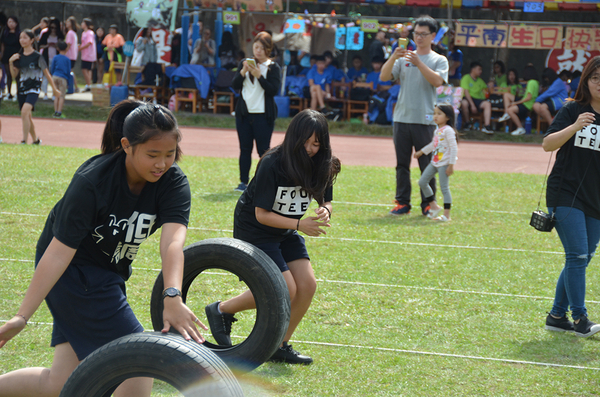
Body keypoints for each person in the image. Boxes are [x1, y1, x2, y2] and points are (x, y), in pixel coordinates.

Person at [0, 100, 207, 396]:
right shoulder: (92, 182)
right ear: (126, 145)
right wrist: (22, 316)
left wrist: (172, 294)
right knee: (138, 363)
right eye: (152, 155)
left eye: (169, 154)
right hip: (72, 272)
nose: (161, 163)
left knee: (62, 382)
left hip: (108, 272)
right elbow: (58, 252)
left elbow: (173, 242)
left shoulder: (173, 183)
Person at [205, 109, 340, 365]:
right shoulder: (273, 162)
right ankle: (221, 309)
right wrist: (300, 224)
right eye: (307, 142)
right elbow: (262, 214)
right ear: (294, 137)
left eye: (317, 143)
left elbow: (328, 199)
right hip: (256, 228)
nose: (311, 148)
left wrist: (326, 210)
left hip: (287, 229)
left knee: (307, 285)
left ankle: (280, 344)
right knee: (285, 288)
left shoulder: (322, 161)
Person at [542, 56, 600, 338]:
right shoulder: (572, 110)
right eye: (595, 78)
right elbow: (547, 144)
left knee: (583, 257)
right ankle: (580, 320)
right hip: (565, 193)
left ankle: (556, 316)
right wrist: (575, 125)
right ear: (586, 81)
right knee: (576, 255)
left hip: (596, 198)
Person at [380, 15, 448, 216]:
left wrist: (419, 63)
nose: (418, 38)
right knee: (401, 164)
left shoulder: (438, 59)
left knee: (427, 165)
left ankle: (428, 203)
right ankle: (402, 202)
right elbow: (384, 77)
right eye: (416, 34)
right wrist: (394, 56)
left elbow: (437, 82)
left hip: (425, 120)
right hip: (401, 118)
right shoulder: (404, 58)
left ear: (433, 36)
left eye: (423, 34)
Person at [231, 31, 281, 192]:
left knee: (264, 150)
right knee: (244, 149)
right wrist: (243, 72)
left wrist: (259, 76)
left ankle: (265, 181)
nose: (258, 51)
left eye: (262, 48)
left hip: (263, 116)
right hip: (244, 114)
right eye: (256, 47)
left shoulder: (273, 67)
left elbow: (273, 90)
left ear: (268, 49)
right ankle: (243, 182)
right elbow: (235, 85)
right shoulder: (244, 63)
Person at [9, 30, 62, 145]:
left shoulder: (38, 56)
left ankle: (24, 140)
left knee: (24, 112)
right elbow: (14, 76)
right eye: (20, 38)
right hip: (22, 89)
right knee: (27, 116)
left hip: (34, 89)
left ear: (32, 40)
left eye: (25, 38)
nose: (22, 40)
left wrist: (54, 89)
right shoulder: (18, 56)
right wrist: (10, 62)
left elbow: (47, 74)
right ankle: (35, 140)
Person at [414, 103, 458, 222]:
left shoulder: (448, 131)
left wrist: (451, 165)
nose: (435, 116)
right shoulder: (437, 130)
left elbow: (454, 148)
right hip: (435, 162)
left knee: (444, 188)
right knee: (422, 181)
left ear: (447, 117)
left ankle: (446, 216)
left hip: (444, 164)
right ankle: (434, 206)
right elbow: (433, 145)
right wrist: (421, 152)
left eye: (439, 114)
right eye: (434, 113)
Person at [499, 65, 539, 136]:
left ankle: (520, 128)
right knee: (506, 95)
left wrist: (516, 103)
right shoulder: (536, 82)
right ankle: (506, 114)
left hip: (527, 105)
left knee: (510, 110)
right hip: (527, 103)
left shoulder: (530, 82)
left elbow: (528, 97)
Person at [460, 61, 493, 134]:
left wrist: (489, 87)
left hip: (478, 99)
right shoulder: (466, 78)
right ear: (473, 69)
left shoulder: (480, 81)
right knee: (464, 103)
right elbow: (466, 92)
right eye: (479, 69)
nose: (480, 71)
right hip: (468, 98)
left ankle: (487, 126)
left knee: (487, 104)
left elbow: (486, 91)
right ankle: (467, 123)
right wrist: (472, 105)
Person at [39, 18, 64, 100]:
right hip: (46, 57)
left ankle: (54, 93)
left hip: (56, 58)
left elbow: (63, 47)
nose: (53, 30)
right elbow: (40, 45)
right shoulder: (45, 34)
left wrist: (56, 46)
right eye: (51, 28)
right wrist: (47, 45)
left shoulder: (60, 35)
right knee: (46, 75)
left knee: (55, 76)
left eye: (55, 28)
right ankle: (45, 93)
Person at [1, 16, 21, 100]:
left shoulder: (19, 33)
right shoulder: (4, 33)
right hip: (6, 55)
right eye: (9, 22)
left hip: (16, 54)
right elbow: (2, 44)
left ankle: (17, 93)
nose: (11, 24)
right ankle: (9, 93)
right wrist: (2, 53)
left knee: (17, 75)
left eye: (13, 22)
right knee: (8, 74)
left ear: (16, 23)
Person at [50, 40, 70, 119]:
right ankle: (59, 112)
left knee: (56, 95)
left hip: (54, 76)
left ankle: (55, 112)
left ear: (57, 48)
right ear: (66, 49)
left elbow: (52, 67)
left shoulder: (55, 57)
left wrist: (52, 75)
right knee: (62, 96)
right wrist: (68, 80)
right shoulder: (67, 59)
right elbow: (68, 71)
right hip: (63, 77)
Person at [78, 18, 96, 91]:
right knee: (88, 70)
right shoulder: (83, 33)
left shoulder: (90, 32)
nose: (81, 24)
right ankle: (88, 84)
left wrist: (81, 48)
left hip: (89, 55)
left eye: (83, 23)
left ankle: (89, 85)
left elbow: (89, 43)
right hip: (84, 55)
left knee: (85, 69)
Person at [64, 16, 79, 92]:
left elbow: (68, 45)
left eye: (68, 22)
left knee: (69, 72)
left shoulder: (70, 33)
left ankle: (71, 87)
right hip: (73, 55)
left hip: (69, 55)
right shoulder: (73, 33)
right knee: (71, 71)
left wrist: (63, 53)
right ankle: (75, 86)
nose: (66, 23)